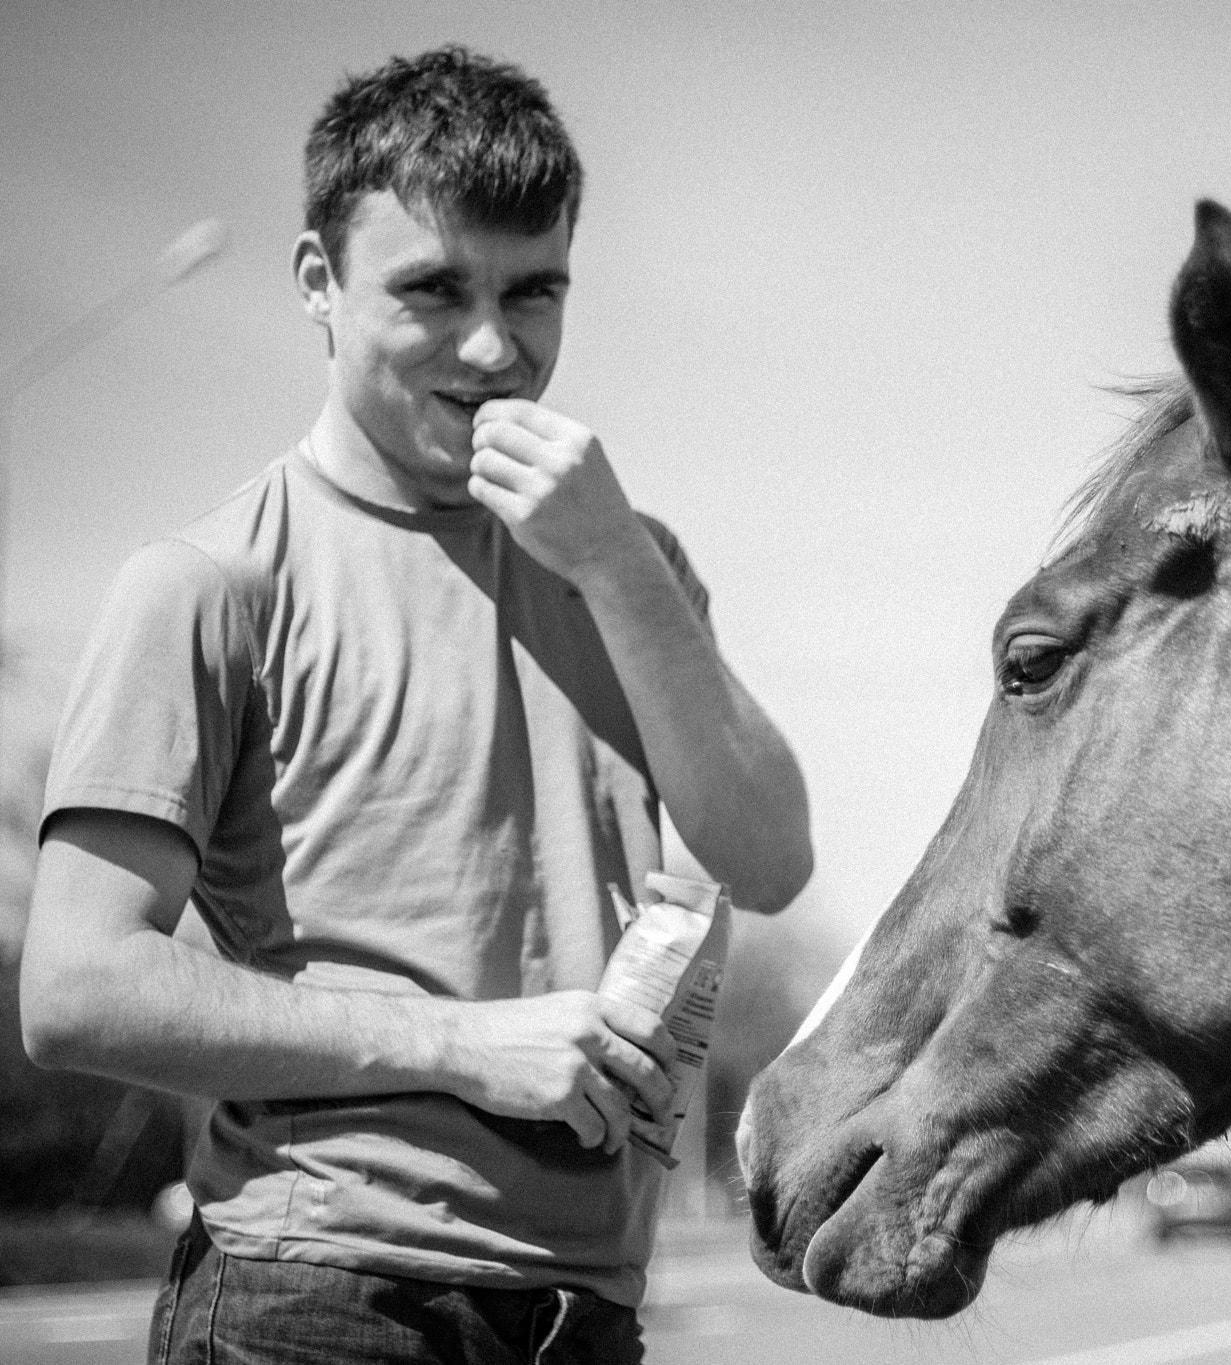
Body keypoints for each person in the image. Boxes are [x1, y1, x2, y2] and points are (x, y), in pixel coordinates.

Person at [17, 45, 812, 1363]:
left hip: (586, 1314)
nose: (494, 347)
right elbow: (75, 985)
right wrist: (462, 1044)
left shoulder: (632, 559)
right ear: (319, 284)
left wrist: (616, 557)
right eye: (435, 291)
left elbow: (772, 858)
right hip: (317, 1297)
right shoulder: (209, 582)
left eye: (533, 291)